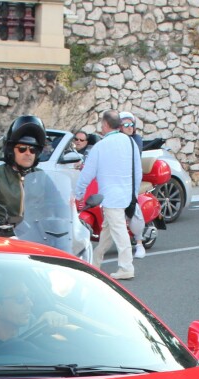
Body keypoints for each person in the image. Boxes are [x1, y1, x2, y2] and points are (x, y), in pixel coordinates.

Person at [74, 109, 142, 280]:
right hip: (126, 194)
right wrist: (134, 193)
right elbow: (137, 170)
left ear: (104, 125)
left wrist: (78, 193)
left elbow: (87, 173)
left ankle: (126, 267)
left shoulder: (100, 146)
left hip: (111, 196)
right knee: (107, 230)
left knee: (119, 231)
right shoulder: (130, 142)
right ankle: (95, 261)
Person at [0, 114, 45, 235]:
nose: (28, 153)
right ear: (11, 150)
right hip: (3, 236)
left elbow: (58, 206)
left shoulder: (42, 177)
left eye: (33, 150)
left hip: (36, 237)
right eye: (22, 148)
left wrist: (76, 222)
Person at [0, 282, 68, 357]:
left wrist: (46, 329)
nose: (30, 304)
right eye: (20, 298)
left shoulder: (33, 327)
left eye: (29, 296)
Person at [118, 110, 148, 259]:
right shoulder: (115, 140)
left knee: (133, 210)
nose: (129, 127)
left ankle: (140, 243)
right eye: (126, 124)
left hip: (131, 180)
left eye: (131, 124)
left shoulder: (135, 140)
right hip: (118, 181)